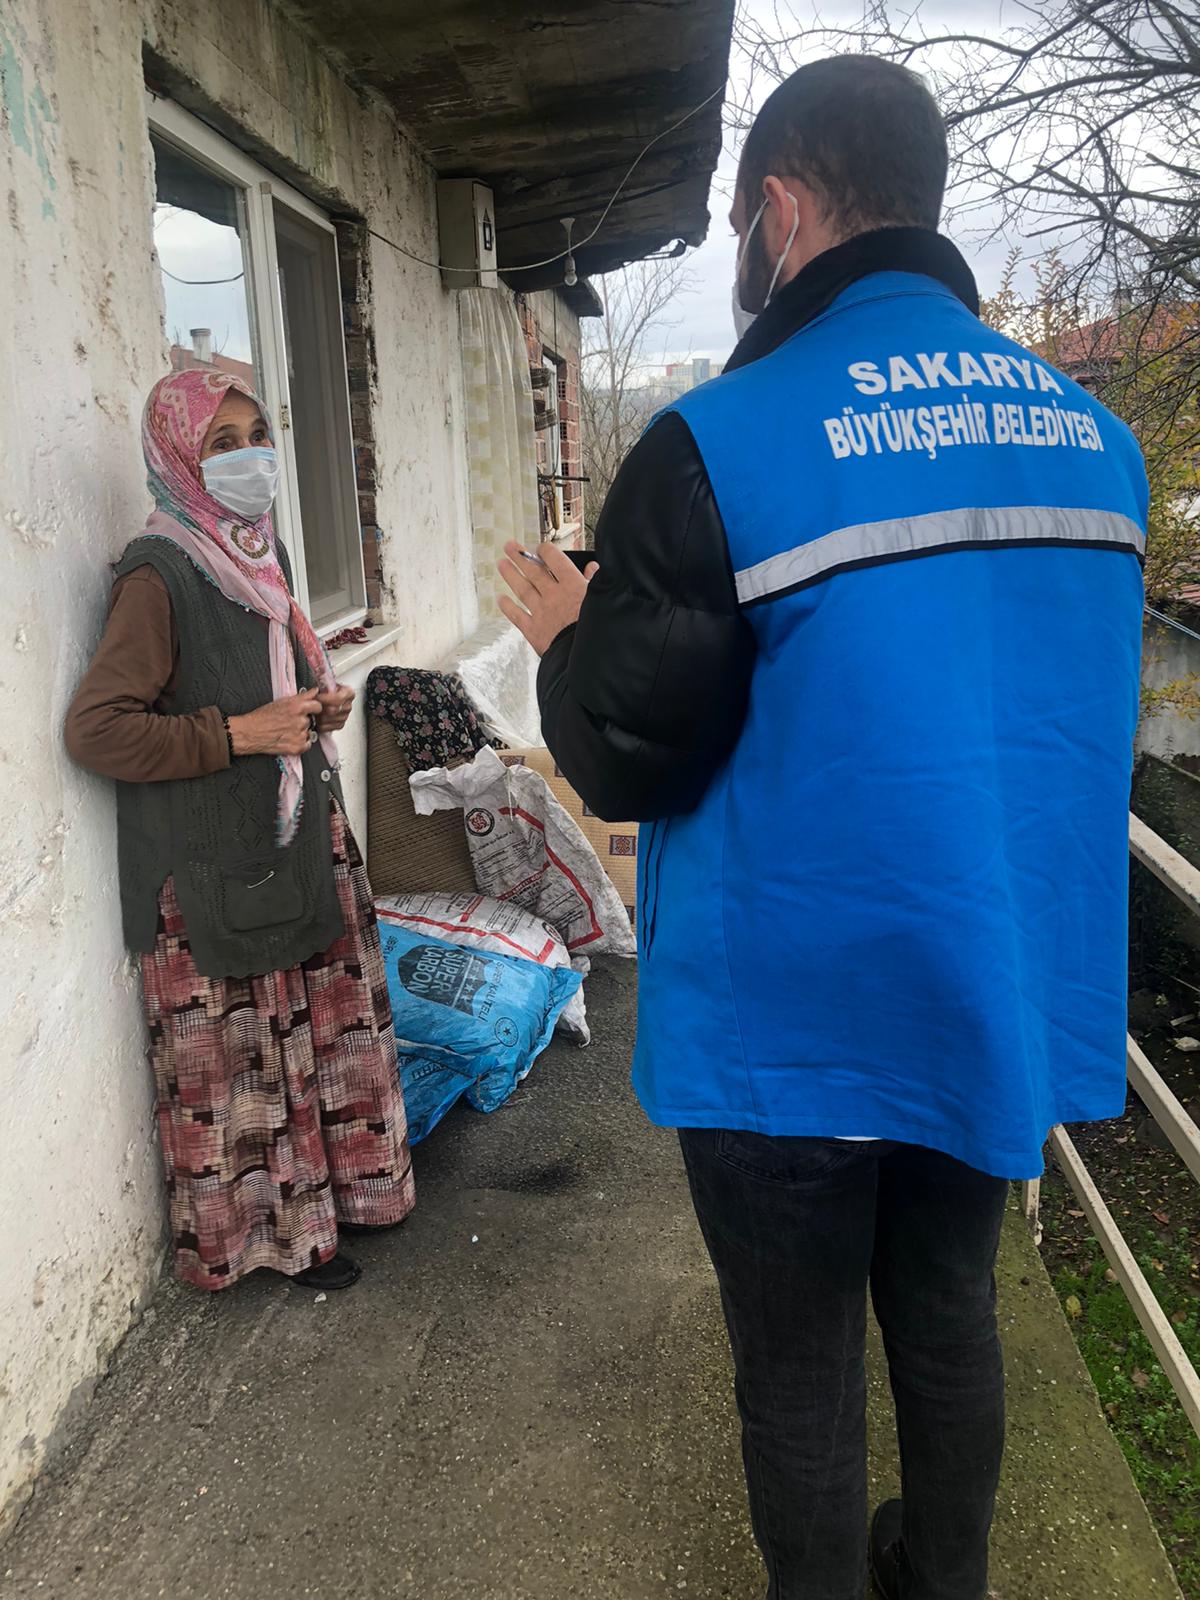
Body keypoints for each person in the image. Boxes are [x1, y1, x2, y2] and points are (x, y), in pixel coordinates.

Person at [498, 55, 1146, 1600]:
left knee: (798, 1380)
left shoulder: (718, 443)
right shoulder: (1096, 443)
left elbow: (626, 752)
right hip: (986, 987)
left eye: (739, 224)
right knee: (948, 1319)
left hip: (794, 1027)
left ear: (780, 209)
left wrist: (569, 638)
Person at [66, 369, 414, 1294]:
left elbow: (274, 676)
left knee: (321, 1032)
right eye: (223, 443)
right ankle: (279, 1242)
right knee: (249, 1065)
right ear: (179, 456)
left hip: (290, 834)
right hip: (212, 860)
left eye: (257, 434)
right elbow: (98, 729)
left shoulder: (261, 553)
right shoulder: (159, 572)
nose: (250, 456)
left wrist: (316, 706)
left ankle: (343, 1204)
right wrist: (240, 735)